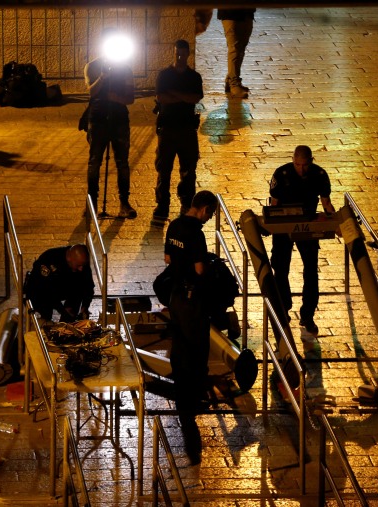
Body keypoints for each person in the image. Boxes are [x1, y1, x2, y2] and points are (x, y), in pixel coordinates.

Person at [163, 189, 218, 464]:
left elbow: (168, 260)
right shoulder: (196, 232)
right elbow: (198, 270)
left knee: (180, 341)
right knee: (197, 346)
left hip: (174, 296)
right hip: (191, 299)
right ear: (204, 208)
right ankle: (191, 397)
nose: (210, 219)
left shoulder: (173, 225)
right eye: (211, 213)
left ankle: (180, 380)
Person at [269, 145, 335, 335]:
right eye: (297, 165)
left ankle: (308, 314)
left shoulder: (320, 175)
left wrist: (332, 219)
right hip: (284, 224)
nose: (301, 169)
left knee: (311, 270)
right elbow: (274, 205)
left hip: (308, 223)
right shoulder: (281, 174)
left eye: (305, 165)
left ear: (311, 161)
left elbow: (326, 202)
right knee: (280, 268)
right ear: (293, 160)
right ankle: (284, 308)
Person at [83, 30, 137, 219]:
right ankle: (92, 204)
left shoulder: (125, 68)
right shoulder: (93, 66)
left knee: (122, 163)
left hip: (119, 120)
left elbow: (131, 98)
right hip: (98, 120)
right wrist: (103, 77)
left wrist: (114, 97)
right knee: (94, 162)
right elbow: (91, 91)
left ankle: (124, 202)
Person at [153, 39, 204, 222]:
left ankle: (186, 203)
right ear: (173, 53)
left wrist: (174, 94)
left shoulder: (194, 77)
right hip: (167, 129)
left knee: (189, 170)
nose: (180, 57)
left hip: (187, 129)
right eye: (177, 54)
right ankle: (162, 205)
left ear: (188, 54)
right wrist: (183, 97)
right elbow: (161, 97)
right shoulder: (164, 75)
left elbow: (196, 98)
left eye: (183, 54)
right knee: (164, 170)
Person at [24, 244, 95, 323]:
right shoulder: (50, 258)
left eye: (82, 265)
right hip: (40, 290)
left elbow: (89, 286)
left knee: (77, 295)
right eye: (78, 266)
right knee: (45, 316)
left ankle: (68, 326)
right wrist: (61, 309)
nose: (81, 269)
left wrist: (85, 307)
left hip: (61, 287)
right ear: (69, 258)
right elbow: (45, 289)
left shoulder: (81, 263)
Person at [218, 9, 256, 99]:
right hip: (230, 13)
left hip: (247, 12)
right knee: (234, 49)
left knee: (241, 48)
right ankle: (234, 84)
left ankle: (231, 79)